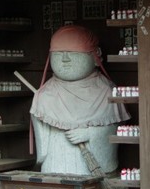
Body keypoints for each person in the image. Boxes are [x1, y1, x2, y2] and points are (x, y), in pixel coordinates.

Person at [30, 25, 130, 176]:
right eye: (59, 54)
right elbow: (42, 142)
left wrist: (91, 134)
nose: (65, 59)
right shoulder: (45, 93)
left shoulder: (106, 91)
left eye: (73, 53)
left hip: (92, 166)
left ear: (95, 56)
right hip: (56, 161)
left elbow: (117, 128)